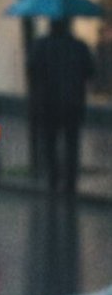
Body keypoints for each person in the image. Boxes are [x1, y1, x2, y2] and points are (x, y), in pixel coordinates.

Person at [27, 18, 96, 195]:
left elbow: (32, 70)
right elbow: (90, 72)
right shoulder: (79, 46)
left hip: (47, 103)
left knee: (50, 143)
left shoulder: (40, 46)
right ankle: (70, 182)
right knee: (72, 143)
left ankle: (53, 179)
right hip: (73, 102)